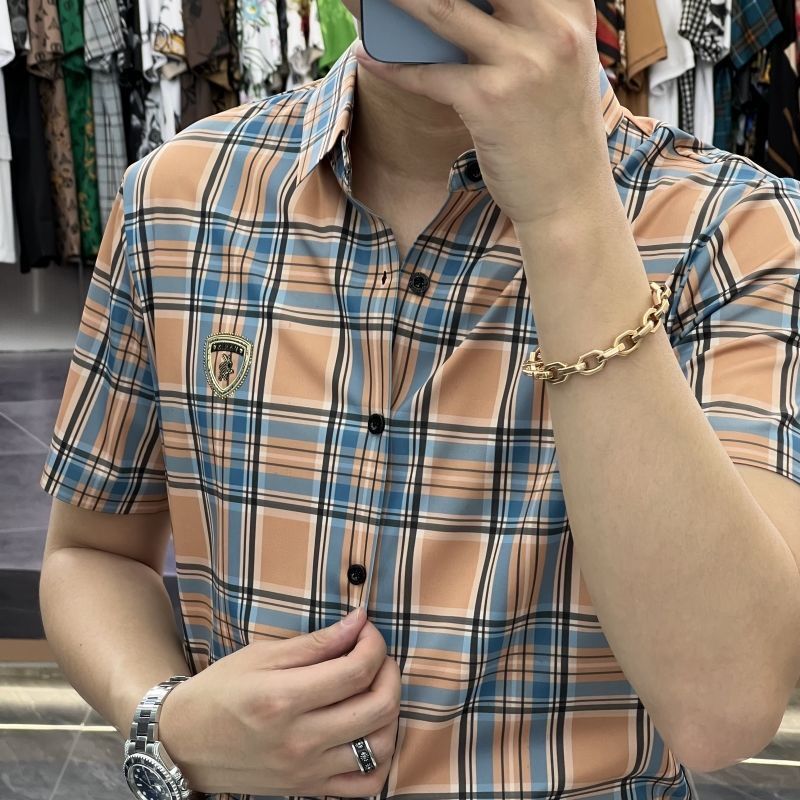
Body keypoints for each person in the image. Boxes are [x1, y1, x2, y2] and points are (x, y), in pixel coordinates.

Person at [38, 2, 800, 800]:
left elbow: (724, 707)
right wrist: (165, 719)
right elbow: (91, 553)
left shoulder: (733, 233)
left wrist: (568, 207)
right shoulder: (179, 197)